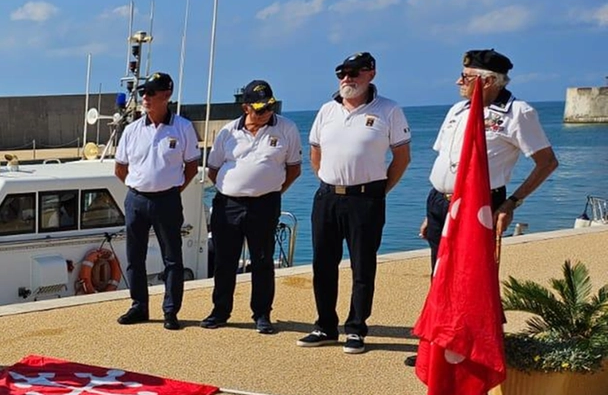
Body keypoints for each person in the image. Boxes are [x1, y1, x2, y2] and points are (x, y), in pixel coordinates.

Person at [408, 48, 558, 365]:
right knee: (440, 274)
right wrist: (432, 211)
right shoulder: (458, 111)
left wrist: (512, 202)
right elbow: (446, 161)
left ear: (488, 81)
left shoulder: (518, 113)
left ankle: (467, 349)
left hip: (480, 205)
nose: (458, 81)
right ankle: (438, 345)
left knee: (469, 278)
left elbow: (546, 163)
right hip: (440, 202)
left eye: (466, 76)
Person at [300, 51, 411, 355]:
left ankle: (356, 328)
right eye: (342, 74)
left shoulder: (389, 110)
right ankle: (324, 325)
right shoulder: (326, 110)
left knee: (363, 265)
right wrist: (328, 179)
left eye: (354, 73)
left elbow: (402, 157)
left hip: (367, 198)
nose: (347, 79)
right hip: (327, 198)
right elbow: (315, 152)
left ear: (371, 74)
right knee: (322, 264)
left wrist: (379, 191)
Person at [202, 80, 302, 334]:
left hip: (265, 204)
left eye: (269, 106)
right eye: (259, 109)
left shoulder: (287, 128)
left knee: (262, 261)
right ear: (246, 107)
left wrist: (272, 190)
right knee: (225, 261)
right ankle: (220, 311)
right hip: (228, 204)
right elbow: (213, 169)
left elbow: (294, 168)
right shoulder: (227, 132)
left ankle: (262, 314)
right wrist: (233, 188)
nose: (266, 112)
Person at [113, 72, 201, 330]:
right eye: (143, 93)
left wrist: (171, 189)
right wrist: (140, 185)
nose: (145, 97)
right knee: (134, 257)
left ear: (166, 95)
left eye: (151, 93)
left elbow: (192, 167)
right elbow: (120, 168)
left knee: (172, 258)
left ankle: (171, 311)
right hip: (136, 200)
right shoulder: (131, 130)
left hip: (167, 201)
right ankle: (139, 306)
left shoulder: (183, 127)